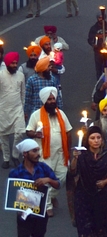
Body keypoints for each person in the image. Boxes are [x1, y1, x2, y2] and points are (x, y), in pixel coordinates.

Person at [25, 87, 71, 216]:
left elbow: (68, 132)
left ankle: (51, 196)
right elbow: (28, 131)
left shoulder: (61, 114)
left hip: (61, 153)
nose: (52, 101)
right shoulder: (36, 115)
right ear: (44, 101)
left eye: (53, 99)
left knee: (61, 178)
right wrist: (35, 134)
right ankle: (47, 206)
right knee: (46, 179)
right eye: (49, 99)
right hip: (45, 155)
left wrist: (68, 151)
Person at [0, 52, 26, 169]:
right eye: (13, 63)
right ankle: (6, 159)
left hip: (17, 109)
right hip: (3, 110)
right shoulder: (0, 75)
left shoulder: (20, 75)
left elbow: (23, 93)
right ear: (7, 63)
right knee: (3, 135)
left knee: (20, 133)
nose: (15, 65)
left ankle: (15, 155)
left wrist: (23, 107)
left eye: (16, 63)